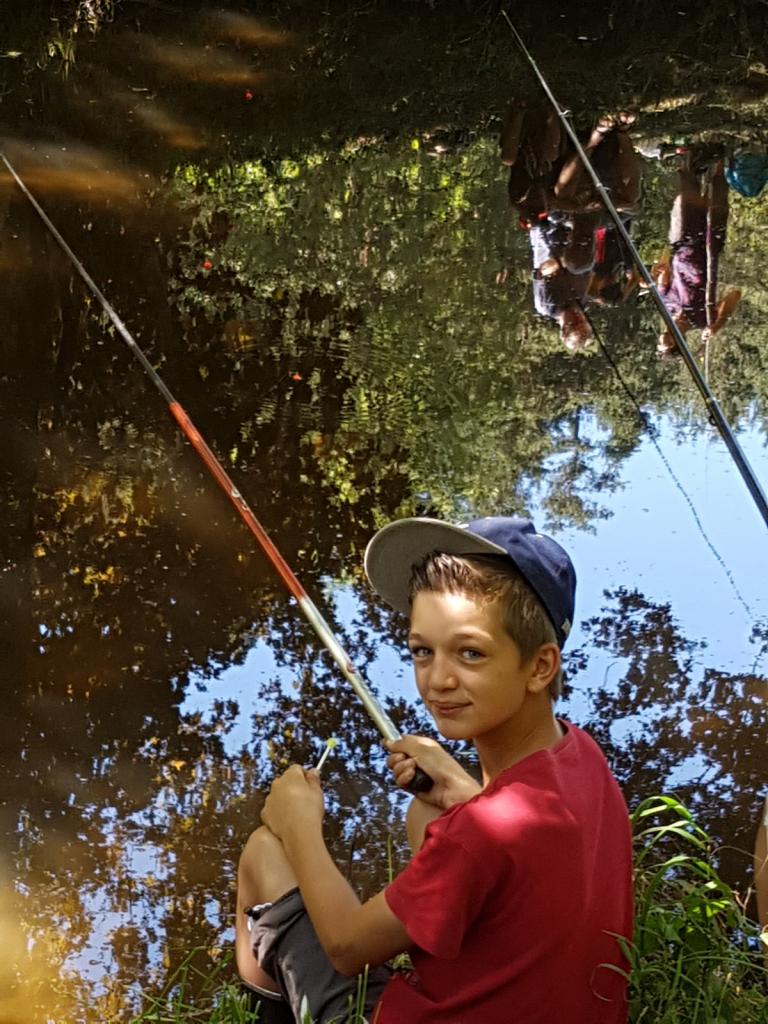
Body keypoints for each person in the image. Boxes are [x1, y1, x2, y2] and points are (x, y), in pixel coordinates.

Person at [236, 516, 634, 1023]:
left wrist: (301, 827)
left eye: (470, 653)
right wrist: (468, 794)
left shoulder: (478, 839)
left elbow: (347, 947)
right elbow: (518, 854)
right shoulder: (582, 756)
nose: (437, 680)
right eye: (423, 651)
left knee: (264, 854)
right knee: (424, 815)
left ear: (540, 666)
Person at [654, 153, 741, 356]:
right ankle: (724, 150)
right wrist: (717, 325)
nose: (665, 335)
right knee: (717, 195)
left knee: (686, 194)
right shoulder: (704, 320)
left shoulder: (666, 305)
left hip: (681, 242)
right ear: (678, 342)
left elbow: (663, 270)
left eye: (662, 337)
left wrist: (657, 270)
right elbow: (735, 296)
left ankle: (691, 154)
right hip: (709, 248)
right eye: (668, 341)